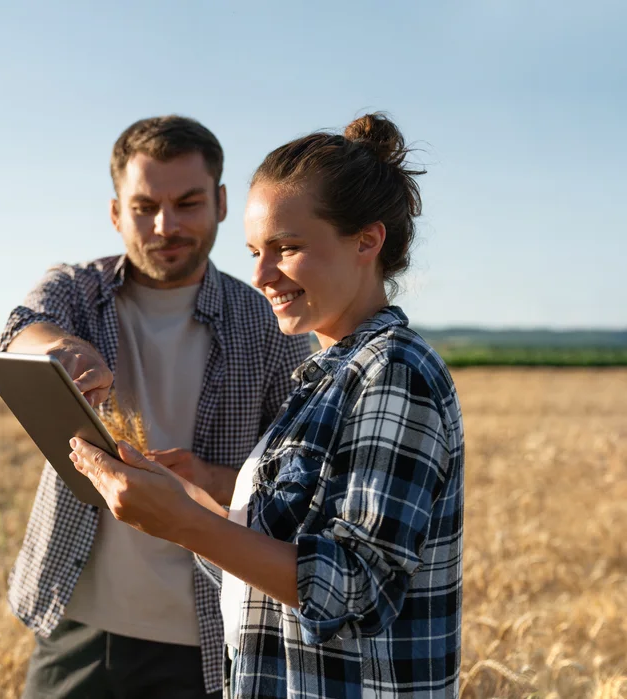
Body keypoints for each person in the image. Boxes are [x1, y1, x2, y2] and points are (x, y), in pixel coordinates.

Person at [68, 112, 465, 698]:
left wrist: (183, 522)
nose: (260, 273)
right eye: (255, 249)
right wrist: (182, 500)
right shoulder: (323, 378)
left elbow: (358, 589)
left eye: (287, 247)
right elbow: (268, 574)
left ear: (367, 241)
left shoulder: (395, 372)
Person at [0, 115, 313, 698]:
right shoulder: (78, 290)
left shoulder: (270, 322)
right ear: (116, 213)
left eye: (188, 203)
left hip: (211, 632)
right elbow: (22, 329)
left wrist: (208, 481)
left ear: (221, 203)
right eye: (144, 207)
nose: (166, 226)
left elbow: (300, 484)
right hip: (78, 619)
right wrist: (61, 349)